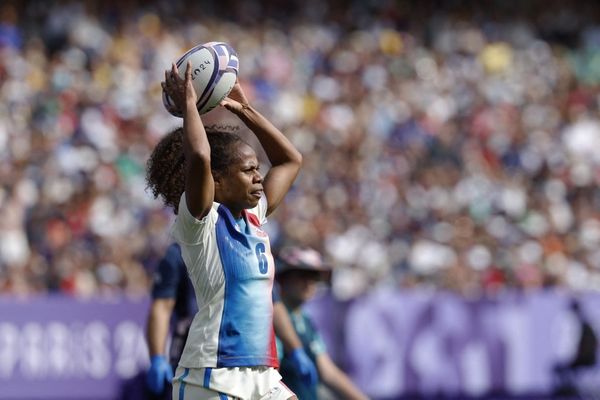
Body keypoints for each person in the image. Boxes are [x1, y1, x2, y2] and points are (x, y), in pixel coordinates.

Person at [146, 60, 303, 400]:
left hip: (263, 373)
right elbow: (200, 158)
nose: (259, 177)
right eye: (248, 170)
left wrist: (246, 110)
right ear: (216, 182)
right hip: (211, 375)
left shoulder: (255, 216)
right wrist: (190, 104)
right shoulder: (200, 223)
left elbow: (291, 160)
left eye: (257, 169)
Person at [145, 244, 317, 399]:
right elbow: (162, 307)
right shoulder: (180, 252)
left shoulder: (246, 246)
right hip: (199, 362)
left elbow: (272, 303)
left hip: (249, 361)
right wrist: (157, 357)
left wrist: (296, 350)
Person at [275, 246, 369, 400]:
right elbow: (268, 379)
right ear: (283, 277)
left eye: (315, 277)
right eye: (303, 275)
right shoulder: (272, 320)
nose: (309, 283)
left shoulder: (304, 319)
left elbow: (328, 372)